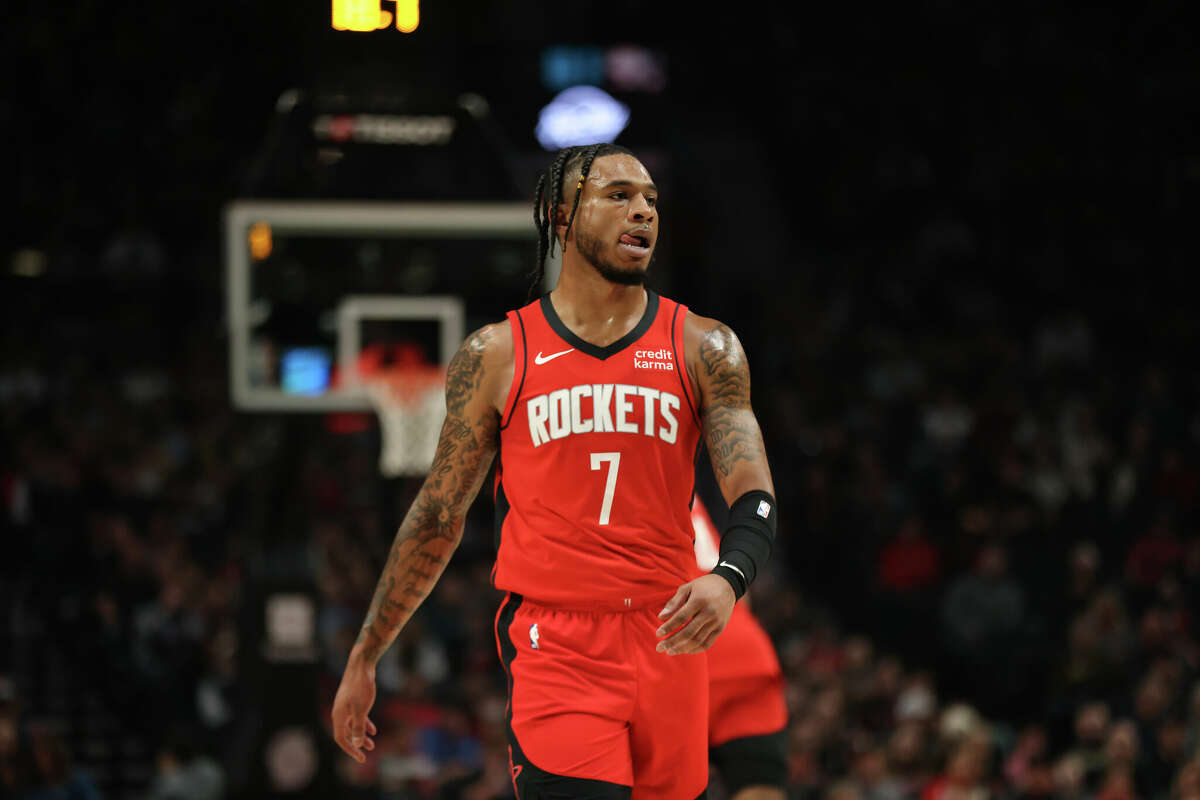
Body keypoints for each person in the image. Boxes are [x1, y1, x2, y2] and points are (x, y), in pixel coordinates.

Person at [331, 143, 778, 800]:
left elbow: (754, 492)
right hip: (558, 644)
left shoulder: (705, 346)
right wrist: (367, 652)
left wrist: (728, 579)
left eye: (651, 199)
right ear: (560, 216)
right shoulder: (497, 355)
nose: (643, 212)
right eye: (618, 195)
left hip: (669, 637)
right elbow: (437, 516)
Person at [692, 499, 788, 800]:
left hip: (677, 656)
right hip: (745, 651)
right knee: (761, 791)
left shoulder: (604, 481)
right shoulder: (686, 489)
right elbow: (739, 596)